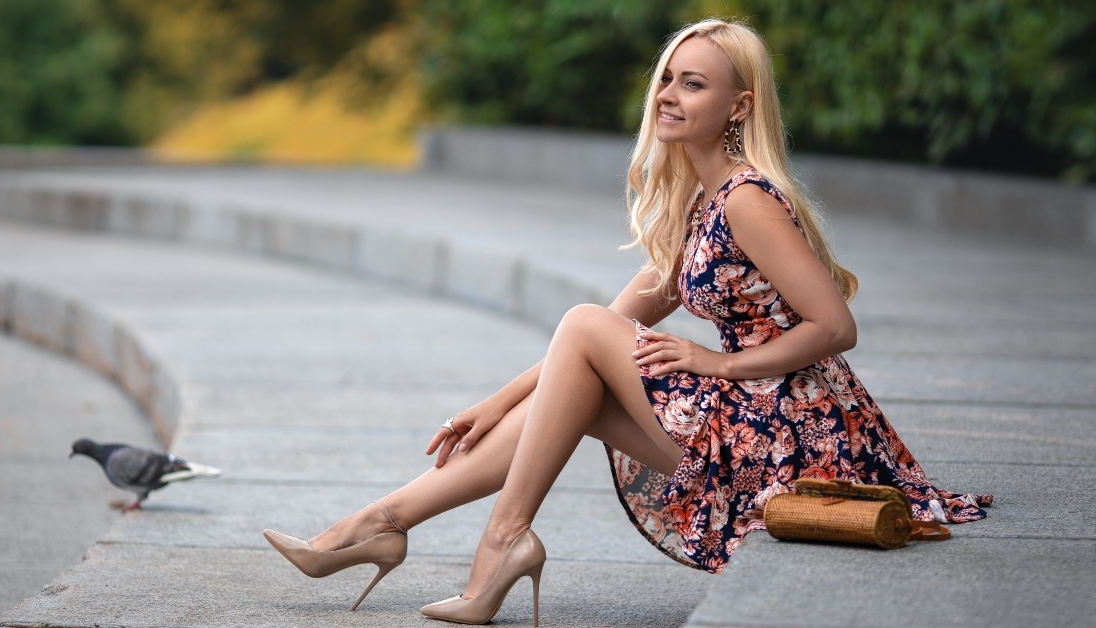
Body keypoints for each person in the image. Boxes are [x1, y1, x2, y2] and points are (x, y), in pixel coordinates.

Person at [262, 18, 992, 625]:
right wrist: (499, 401)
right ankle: (379, 525)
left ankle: (490, 538)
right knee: (577, 369)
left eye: (693, 84)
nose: (668, 96)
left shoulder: (747, 199)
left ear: (739, 106)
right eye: (668, 80)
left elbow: (835, 327)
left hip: (803, 440)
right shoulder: (700, 209)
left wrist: (718, 364)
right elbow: (592, 339)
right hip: (755, 432)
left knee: (582, 328)